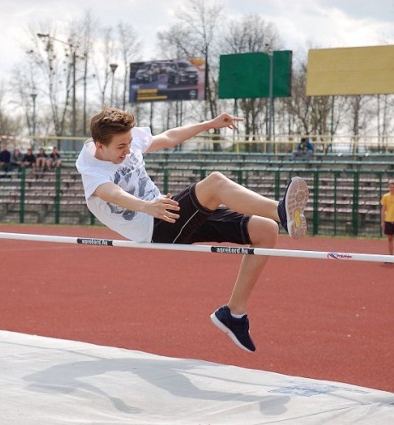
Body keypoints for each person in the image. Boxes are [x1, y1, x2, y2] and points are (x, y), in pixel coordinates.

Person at [76, 107, 309, 353]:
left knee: (265, 231)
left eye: (130, 143)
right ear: (100, 146)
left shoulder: (126, 141)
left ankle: (234, 314)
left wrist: (210, 124)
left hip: (166, 211)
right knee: (215, 183)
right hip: (154, 227)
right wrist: (146, 206)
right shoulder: (92, 169)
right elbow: (113, 193)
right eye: (121, 147)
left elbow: (168, 137)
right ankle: (281, 211)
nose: (128, 150)